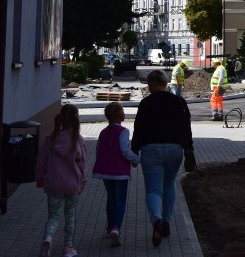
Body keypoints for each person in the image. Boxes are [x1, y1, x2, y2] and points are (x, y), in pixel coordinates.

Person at [131, 69, 193, 248]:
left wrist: (134, 150)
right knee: (169, 185)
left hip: (151, 150)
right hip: (175, 149)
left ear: (152, 83)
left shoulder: (146, 103)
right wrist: (189, 149)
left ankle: (156, 220)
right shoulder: (179, 102)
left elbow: (139, 128)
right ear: (165, 83)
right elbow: (186, 128)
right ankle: (166, 221)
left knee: (153, 190)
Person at [35, 104, 87, 257]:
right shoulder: (78, 140)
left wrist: (39, 177)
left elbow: (41, 161)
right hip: (72, 184)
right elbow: (82, 163)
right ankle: (68, 248)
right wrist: (83, 180)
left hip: (53, 183)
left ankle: (48, 238)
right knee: (70, 215)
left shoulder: (50, 140)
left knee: (53, 216)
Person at [92, 102, 140, 247]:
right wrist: (136, 159)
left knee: (111, 200)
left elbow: (98, 150)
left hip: (106, 172)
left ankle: (109, 228)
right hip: (120, 172)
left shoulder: (103, 132)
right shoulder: (123, 131)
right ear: (120, 114)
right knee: (120, 200)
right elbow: (125, 151)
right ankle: (116, 228)